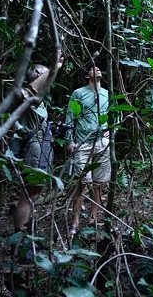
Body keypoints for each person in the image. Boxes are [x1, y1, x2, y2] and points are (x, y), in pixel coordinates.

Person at [10, 58, 62, 258]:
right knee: (28, 194)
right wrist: (53, 68)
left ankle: (29, 241)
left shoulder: (40, 102)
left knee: (34, 195)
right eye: (46, 76)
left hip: (42, 149)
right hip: (33, 151)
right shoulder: (27, 98)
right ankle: (20, 243)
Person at [66, 61, 111, 235]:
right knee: (82, 183)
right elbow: (70, 116)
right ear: (87, 76)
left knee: (98, 184)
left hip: (102, 142)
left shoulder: (107, 93)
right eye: (92, 68)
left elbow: (115, 113)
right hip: (83, 143)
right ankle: (75, 222)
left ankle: (94, 218)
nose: (97, 68)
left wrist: (110, 130)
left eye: (99, 67)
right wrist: (70, 140)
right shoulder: (79, 93)